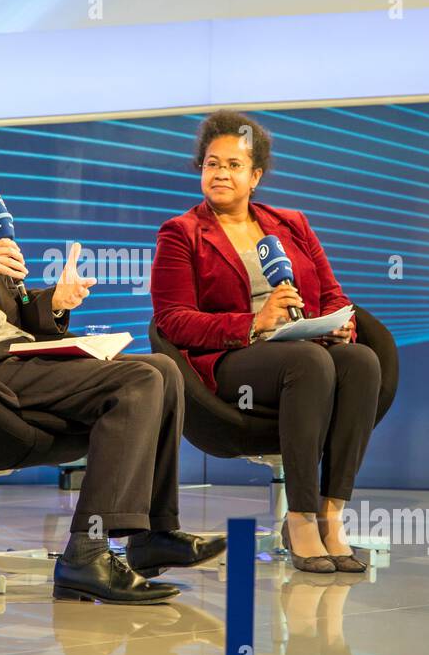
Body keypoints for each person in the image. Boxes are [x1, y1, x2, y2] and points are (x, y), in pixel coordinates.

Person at [0, 96, 225, 604]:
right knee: (139, 380)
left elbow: (12, 311)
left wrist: (55, 303)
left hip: (16, 356)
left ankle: (151, 535)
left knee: (161, 369)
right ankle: (86, 555)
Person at [151, 110, 380, 573]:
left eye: (233, 165)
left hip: (299, 343)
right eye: (211, 163)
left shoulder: (291, 224)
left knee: (361, 362)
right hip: (232, 358)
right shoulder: (181, 234)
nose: (220, 173)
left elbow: (334, 294)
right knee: (309, 365)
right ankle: (298, 520)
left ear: (255, 176)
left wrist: (338, 324)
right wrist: (254, 322)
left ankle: (330, 515)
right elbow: (172, 321)